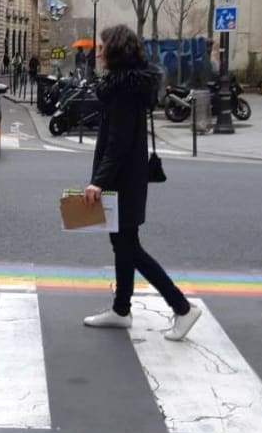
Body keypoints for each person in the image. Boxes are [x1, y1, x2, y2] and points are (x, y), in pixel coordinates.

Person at [82, 25, 201, 341]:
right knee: (122, 245)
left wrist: (98, 182)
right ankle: (121, 310)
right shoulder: (127, 86)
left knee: (129, 248)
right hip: (128, 177)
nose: (98, 51)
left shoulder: (123, 91)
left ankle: (182, 308)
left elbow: (117, 143)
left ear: (114, 50)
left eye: (102, 46)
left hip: (121, 179)